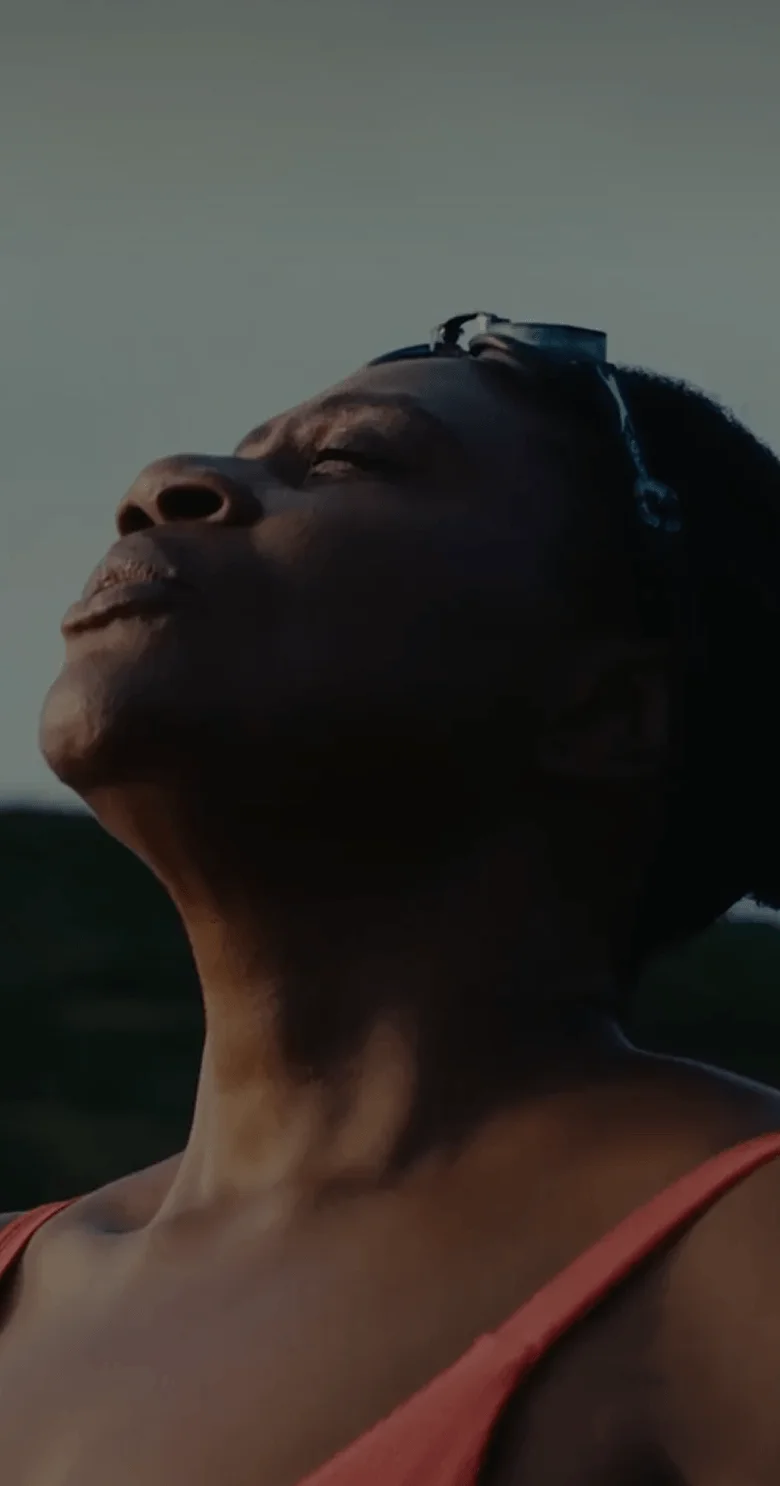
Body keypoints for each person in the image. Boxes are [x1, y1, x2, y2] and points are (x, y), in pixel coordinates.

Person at [2, 312, 780, 1485]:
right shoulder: (17, 1282)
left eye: (347, 460)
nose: (164, 483)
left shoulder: (739, 1254)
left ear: (607, 712)